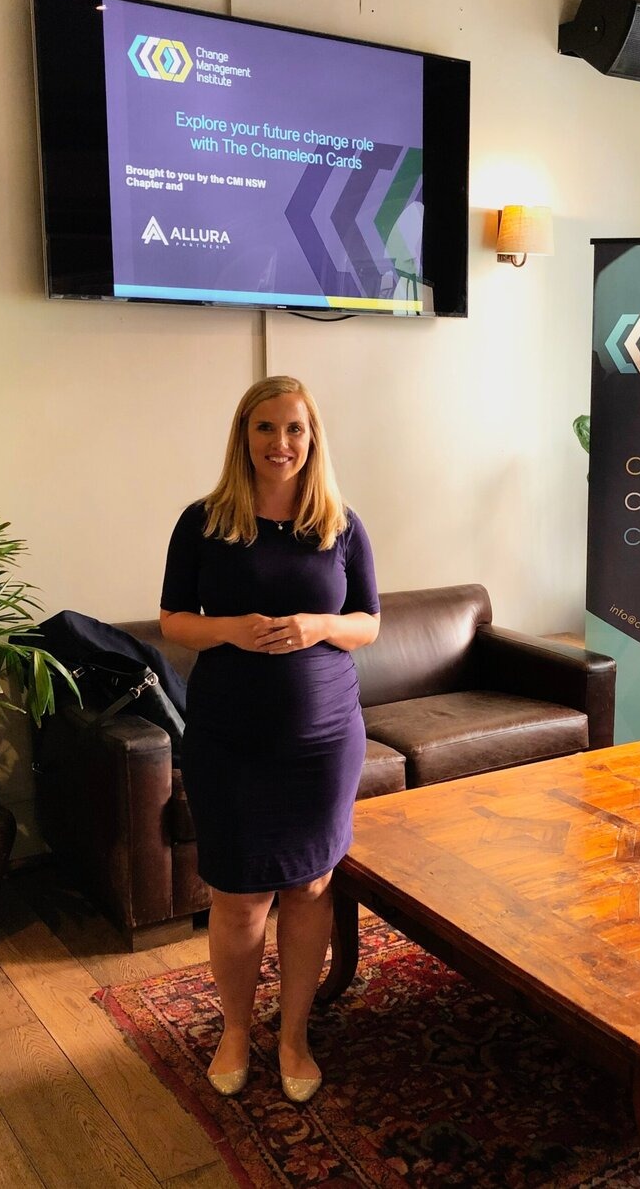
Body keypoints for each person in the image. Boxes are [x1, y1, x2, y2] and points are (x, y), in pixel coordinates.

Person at [159, 375, 380, 1103]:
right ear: (243, 435)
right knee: (239, 896)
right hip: (230, 739)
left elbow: (369, 623)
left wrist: (320, 626)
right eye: (265, 427)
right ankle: (233, 1030)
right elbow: (173, 620)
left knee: (311, 888)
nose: (280, 442)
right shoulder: (204, 522)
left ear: (312, 438)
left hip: (323, 741)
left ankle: (293, 1035)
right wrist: (231, 628)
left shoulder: (341, 524)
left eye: (294, 428)